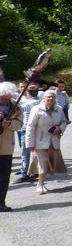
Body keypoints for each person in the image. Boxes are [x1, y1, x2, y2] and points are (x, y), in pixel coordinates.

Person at [26, 89, 68, 194]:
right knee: (43, 164)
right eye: (48, 97)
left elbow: (64, 121)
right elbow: (30, 127)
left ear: (55, 99)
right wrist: (30, 144)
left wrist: (60, 129)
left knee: (49, 165)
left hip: (53, 141)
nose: (50, 98)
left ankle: (42, 182)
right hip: (39, 142)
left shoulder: (59, 109)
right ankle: (40, 185)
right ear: (43, 98)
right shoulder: (36, 109)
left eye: (52, 97)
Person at [0, 82, 24, 211]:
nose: (4, 100)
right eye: (2, 97)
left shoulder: (16, 105)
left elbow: (20, 124)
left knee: (4, 176)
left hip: (6, 146)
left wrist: (9, 124)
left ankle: (1, 202)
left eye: (7, 97)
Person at [15, 81, 41, 182]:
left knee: (25, 153)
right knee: (33, 152)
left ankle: (24, 173)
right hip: (33, 129)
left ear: (27, 93)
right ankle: (32, 171)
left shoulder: (28, 104)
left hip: (26, 130)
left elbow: (17, 109)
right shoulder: (38, 102)